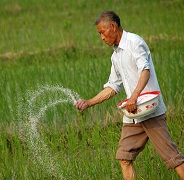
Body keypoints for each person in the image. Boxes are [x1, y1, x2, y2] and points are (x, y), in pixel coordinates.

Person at [74, 10, 184, 179]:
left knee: (173, 158)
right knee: (124, 157)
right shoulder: (115, 55)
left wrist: (133, 97)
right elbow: (112, 87)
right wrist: (88, 102)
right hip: (133, 114)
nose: (102, 38)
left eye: (102, 33)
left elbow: (145, 70)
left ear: (112, 26)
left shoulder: (135, 42)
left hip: (150, 110)